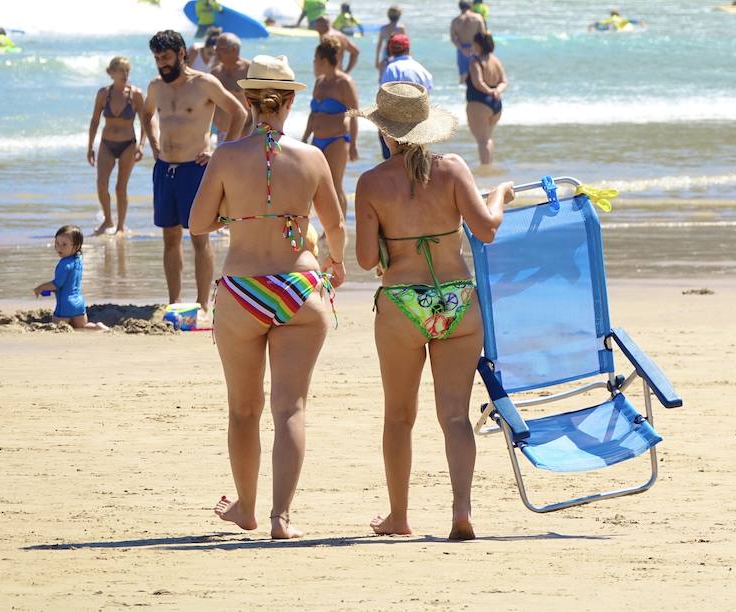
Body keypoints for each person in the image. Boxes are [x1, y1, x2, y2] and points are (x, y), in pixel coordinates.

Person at [189, 55, 346, 541]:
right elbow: (336, 225)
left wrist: (237, 219)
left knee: (243, 409)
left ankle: (247, 509)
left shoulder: (226, 156)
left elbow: (196, 224)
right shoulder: (313, 158)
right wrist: (336, 264)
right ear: (292, 100)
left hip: (242, 289)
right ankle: (281, 518)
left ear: (250, 101)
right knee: (290, 409)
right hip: (299, 286)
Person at [352, 81, 515, 540]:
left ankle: (399, 517)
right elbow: (486, 230)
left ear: (386, 132)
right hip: (458, 301)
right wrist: (499, 193)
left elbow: (366, 260)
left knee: (399, 416)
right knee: (455, 416)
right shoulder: (454, 168)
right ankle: (461, 510)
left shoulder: (371, 183)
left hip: (402, 303)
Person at [141, 30, 248, 311]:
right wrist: (153, 143)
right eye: (156, 58)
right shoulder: (155, 86)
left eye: (165, 57)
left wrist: (220, 151)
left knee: (200, 237)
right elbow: (147, 113)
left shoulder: (204, 83)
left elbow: (239, 112)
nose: (161, 63)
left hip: (195, 170)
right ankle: (173, 302)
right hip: (165, 169)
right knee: (170, 237)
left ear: (181, 53)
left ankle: (202, 305)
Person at [87, 56, 145, 235]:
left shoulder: (135, 94)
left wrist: (141, 145)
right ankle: (108, 220)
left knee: (121, 187)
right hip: (107, 144)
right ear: (111, 73)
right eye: (121, 70)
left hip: (128, 144)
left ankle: (120, 226)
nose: (125, 74)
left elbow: (145, 122)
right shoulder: (104, 93)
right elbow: (95, 121)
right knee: (101, 184)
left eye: (127, 70)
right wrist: (90, 147)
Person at [302, 36, 359, 216]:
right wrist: (304, 139)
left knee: (335, 185)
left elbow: (354, 114)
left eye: (315, 59)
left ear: (324, 61)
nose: (313, 63)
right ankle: (326, 227)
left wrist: (354, 145)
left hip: (337, 140)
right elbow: (313, 114)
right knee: (314, 185)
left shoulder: (344, 83)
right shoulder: (319, 82)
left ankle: (339, 227)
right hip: (316, 140)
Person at [33, 226, 108, 331]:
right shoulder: (78, 259)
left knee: (55, 327)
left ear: (77, 246)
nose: (59, 247)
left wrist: (40, 288)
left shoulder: (64, 264)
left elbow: (57, 284)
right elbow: (69, 283)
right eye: (57, 243)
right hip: (79, 304)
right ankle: (98, 327)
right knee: (82, 327)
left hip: (65, 305)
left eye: (64, 244)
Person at [378, 34, 433, 159]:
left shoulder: (391, 68)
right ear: (408, 49)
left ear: (390, 50)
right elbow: (427, 96)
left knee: (393, 162)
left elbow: (385, 96)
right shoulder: (421, 69)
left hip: (396, 122)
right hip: (418, 121)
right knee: (417, 160)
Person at [465, 32, 507, 167]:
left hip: (479, 102)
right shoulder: (495, 60)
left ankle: (485, 170)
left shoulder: (475, 61)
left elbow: (478, 82)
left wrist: (489, 91)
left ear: (478, 45)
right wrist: (497, 91)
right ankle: (489, 166)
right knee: (487, 138)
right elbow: (504, 81)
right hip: (496, 103)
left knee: (482, 141)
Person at [209, 33, 251, 142]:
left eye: (220, 49)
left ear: (234, 49)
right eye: (215, 48)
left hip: (245, 134)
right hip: (221, 134)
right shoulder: (215, 73)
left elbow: (262, 103)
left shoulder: (249, 71)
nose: (216, 52)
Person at [449, 0, 485, 81]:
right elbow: (483, 35)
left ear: (460, 7)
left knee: (463, 77)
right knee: (478, 75)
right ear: (471, 6)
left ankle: (462, 93)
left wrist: (462, 49)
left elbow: (453, 38)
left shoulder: (455, 21)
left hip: (462, 49)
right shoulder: (478, 18)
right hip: (476, 48)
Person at [374, 6, 406, 73]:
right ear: (399, 16)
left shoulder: (383, 28)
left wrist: (377, 60)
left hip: (386, 52)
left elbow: (379, 45)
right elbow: (405, 44)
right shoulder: (401, 28)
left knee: (384, 75)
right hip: (399, 52)